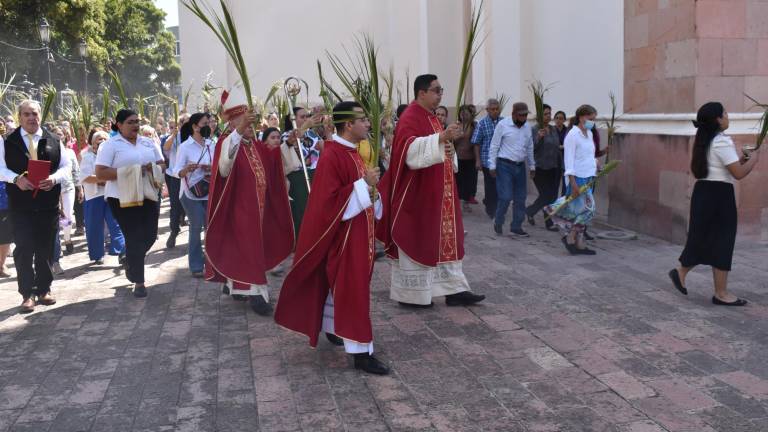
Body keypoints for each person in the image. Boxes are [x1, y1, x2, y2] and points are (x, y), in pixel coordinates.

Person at [275, 101, 388, 375]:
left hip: (358, 234)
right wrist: (364, 186)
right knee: (353, 292)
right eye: (362, 120)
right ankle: (362, 352)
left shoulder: (352, 152)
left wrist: (372, 192)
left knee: (350, 290)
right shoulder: (332, 155)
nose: (368, 124)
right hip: (344, 240)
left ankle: (334, 328)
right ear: (348, 125)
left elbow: (358, 192)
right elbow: (327, 204)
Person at [377, 74, 485, 308]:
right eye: (436, 90)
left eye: (441, 90)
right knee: (420, 238)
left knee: (446, 238)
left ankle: (454, 289)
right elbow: (407, 150)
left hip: (441, 191)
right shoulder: (411, 116)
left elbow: (442, 146)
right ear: (422, 93)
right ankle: (412, 295)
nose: (440, 94)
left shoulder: (431, 117)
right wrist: (440, 138)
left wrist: (446, 141)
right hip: (418, 195)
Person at [205, 98, 294, 316]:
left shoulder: (253, 145)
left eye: (252, 122)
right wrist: (240, 128)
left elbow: (273, 159)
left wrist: (289, 143)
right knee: (248, 248)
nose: (251, 127)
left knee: (246, 249)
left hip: (259, 208)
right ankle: (257, 295)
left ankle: (235, 285)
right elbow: (224, 168)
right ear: (234, 123)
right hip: (238, 208)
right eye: (246, 122)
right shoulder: (226, 142)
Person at [669, 102, 760, 306]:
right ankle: (719, 292)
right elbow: (738, 174)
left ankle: (684, 273)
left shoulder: (706, 140)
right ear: (718, 119)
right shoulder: (721, 141)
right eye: (725, 113)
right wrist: (755, 159)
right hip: (719, 195)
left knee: (704, 237)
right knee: (722, 240)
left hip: (704, 192)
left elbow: (726, 167)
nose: (728, 116)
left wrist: (742, 160)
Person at [0, 100, 71, 313]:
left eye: (35, 113)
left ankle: (44, 290)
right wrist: (16, 179)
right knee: (24, 249)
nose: (31, 117)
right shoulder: (7, 141)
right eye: (27, 114)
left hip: (47, 204)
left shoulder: (54, 139)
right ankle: (26, 294)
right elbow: (0, 168)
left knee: (45, 248)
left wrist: (54, 179)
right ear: (20, 117)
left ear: (40, 116)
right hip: (20, 206)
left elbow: (66, 167)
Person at [95, 109, 165, 298]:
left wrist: (152, 168)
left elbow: (162, 164)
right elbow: (101, 173)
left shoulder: (148, 142)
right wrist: (131, 171)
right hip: (121, 198)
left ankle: (129, 258)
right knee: (134, 237)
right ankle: (139, 282)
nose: (136, 125)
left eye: (137, 122)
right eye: (131, 122)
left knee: (150, 236)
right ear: (119, 125)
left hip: (148, 194)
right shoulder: (110, 145)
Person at [545, 104, 599, 255]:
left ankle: (578, 244)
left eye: (594, 119)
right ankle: (571, 235)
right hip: (578, 178)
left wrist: (595, 163)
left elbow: (587, 154)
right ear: (582, 117)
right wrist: (573, 183)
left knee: (580, 212)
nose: (592, 121)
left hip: (589, 176)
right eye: (591, 118)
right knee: (589, 210)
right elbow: (569, 161)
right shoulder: (572, 135)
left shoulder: (588, 133)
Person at [175, 112, 215, 278]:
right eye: (205, 123)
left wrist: (209, 167)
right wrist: (187, 169)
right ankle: (196, 265)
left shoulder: (212, 143)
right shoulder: (184, 147)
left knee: (210, 227)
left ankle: (212, 263)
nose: (209, 126)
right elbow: (176, 171)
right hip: (190, 193)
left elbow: (219, 165)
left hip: (209, 190)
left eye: (210, 123)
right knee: (197, 225)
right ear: (194, 126)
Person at [488, 102, 535, 237]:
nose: (524, 117)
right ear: (513, 114)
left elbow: (530, 147)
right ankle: (498, 219)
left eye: (526, 115)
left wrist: (532, 166)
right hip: (504, 166)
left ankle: (516, 226)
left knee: (520, 198)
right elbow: (494, 146)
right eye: (521, 115)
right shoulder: (503, 125)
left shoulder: (527, 127)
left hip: (520, 166)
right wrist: (492, 165)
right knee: (506, 196)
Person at [79, 129, 125, 265]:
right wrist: (102, 179)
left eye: (105, 139)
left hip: (111, 194)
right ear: (93, 144)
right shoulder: (87, 157)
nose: (102, 142)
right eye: (99, 140)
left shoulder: (114, 156)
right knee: (94, 226)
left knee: (116, 223)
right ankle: (97, 254)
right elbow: (85, 177)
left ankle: (122, 252)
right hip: (93, 196)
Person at [281, 107, 323, 236]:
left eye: (307, 116)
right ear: (292, 119)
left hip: (316, 175)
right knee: (301, 212)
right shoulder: (287, 135)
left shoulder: (313, 134)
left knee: (317, 212)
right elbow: (287, 152)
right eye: (302, 117)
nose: (306, 119)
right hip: (298, 178)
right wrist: (305, 126)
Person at [526, 104, 562, 231]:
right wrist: (539, 138)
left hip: (553, 167)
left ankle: (532, 212)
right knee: (546, 195)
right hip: (539, 167)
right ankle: (537, 215)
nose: (548, 116)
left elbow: (556, 146)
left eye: (549, 113)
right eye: (546, 114)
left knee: (552, 196)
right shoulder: (534, 129)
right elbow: (531, 148)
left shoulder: (553, 129)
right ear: (540, 116)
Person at [471, 99, 503, 219]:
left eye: (497, 109)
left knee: (500, 186)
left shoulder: (504, 122)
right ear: (487, 110)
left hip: (501, 160)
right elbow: (476, 143)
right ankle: (491, 210)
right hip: (487, 160)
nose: (495, 111)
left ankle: (494, 204)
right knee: (490, 186)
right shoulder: (482, 124)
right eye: (493, 109)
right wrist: (478, 160)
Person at [163, 114, 189, 248]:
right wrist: (174, 134)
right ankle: (174, 231)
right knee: (175, 205)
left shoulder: (194, 137)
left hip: (191, 177)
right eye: (185, 122)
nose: (187, 124)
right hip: (175, 176)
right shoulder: (175, 137)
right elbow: (166, 148)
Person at [454, 105, 477, 213]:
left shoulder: (474, 126)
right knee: (459, 182)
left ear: (470, 114)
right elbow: (452, 141)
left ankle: (466, 203)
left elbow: (477, 142)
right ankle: (458, 204)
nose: (464, 115)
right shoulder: (457, 126)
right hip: (458, 158)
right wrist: (459, 136)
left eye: (466, 113)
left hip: (470, 158)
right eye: (462, 113)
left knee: (469, 182)